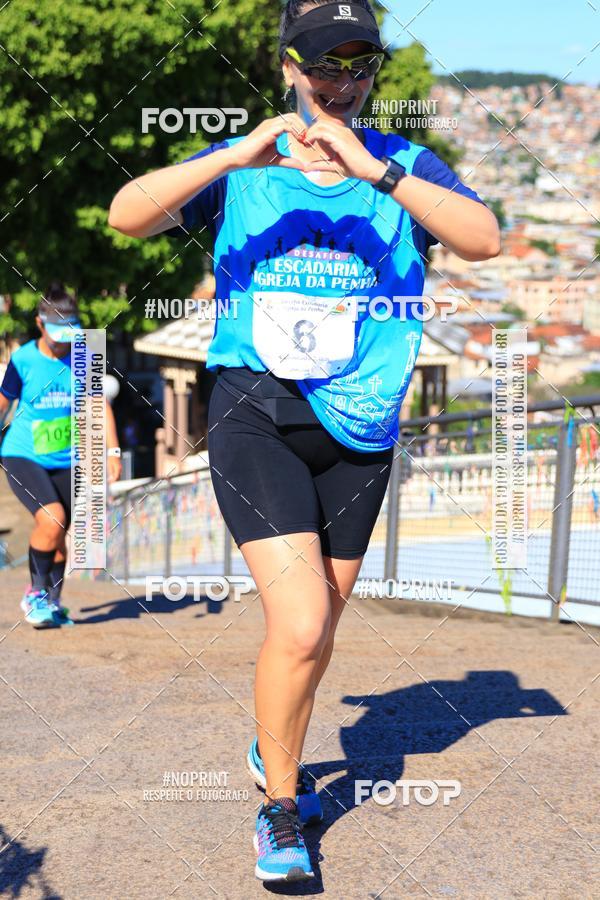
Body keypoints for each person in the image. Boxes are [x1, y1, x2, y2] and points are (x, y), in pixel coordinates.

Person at [108, 0, 500, 882]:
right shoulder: (246, 172)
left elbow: (484, 239)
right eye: (325, 64)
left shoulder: (404, 163)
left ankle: (269, 745)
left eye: (361, 65)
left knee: (316, 637)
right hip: (259, 413)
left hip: (360, 429)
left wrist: (377, 174)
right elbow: (124, 215)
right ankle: (280, 811)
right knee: (303, 619)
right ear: (289, 67)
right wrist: (234, 151)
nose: (343, 81)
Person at [0, 283, 122, 628]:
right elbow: (4, 403)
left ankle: (53, 601)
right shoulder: (23, 359)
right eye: (56, 334)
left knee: (59, 534)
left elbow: (98, 403)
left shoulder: (86, 353)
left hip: (68, 459)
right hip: (23, 453)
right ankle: (34, 594)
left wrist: (111, 451)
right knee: (50, 519)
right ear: (40, 324)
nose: (64, 341)